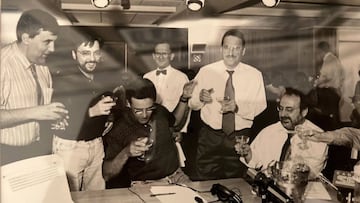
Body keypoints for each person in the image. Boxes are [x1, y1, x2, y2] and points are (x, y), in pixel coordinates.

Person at [188, 29, 267, 180]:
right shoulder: (206, 71)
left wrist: (237, 108)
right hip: (210, 136)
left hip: (239, 137)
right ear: (221, 49)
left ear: (243, 51)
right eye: (226, 47)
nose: (231, 52)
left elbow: (261, 105)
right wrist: (200, 98)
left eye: (236, 48)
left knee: (237, 181)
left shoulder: (254, 75)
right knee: (204, 179)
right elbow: (192, 104)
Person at [0, 9, 68, 165]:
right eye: (47, 42)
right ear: (26, 38)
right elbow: (35, 112)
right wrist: (36, 112)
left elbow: (40, 109)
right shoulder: (3, 65)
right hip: (7, 154)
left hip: (39, 149)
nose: (53, 49)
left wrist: (53, 117)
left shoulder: (42, 65)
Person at [50, 31, 117, 191]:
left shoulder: (102, 78)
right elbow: (59, 121)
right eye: (85, 53)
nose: (92, 58)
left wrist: (110, 116)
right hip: (70, 147)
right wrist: (92, 112)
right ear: (74, 55)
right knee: (69, 197)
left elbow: (108, 108)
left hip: (96, 144)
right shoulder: (63, 82)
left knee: (96, 197)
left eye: (96, 53)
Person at [102, 78, 195, 189]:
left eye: (149, 108)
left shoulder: (159, 111)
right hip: (146, 184)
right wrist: (126, 152)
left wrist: (184, 98)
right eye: (138, 110)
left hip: (177, 176)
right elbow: (107, 174)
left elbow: (175, 122)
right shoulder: (120, 128)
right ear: (128, 103)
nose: (145, 115)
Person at [237, 88, 328, 178]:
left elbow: (311, 173)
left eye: (289, 110)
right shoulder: (269, 132)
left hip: (301, 188)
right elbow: (256, 163)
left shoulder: (318, 136)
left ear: (304, 112)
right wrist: (248, 154)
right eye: (281, 108)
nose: (283, 114)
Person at [143, 42, 190, 166]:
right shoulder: (146, 77)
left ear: (172, 56)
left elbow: (186, 107)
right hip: (151, 130)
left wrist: (181, 130)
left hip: (172, 129)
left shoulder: (181, 77)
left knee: (171, 164)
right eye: (158, 53)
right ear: (153, 56)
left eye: (164, 53)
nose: (161, 57)